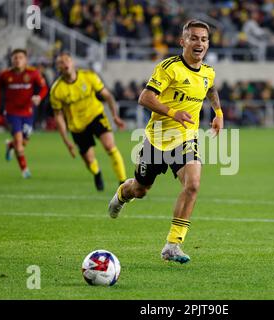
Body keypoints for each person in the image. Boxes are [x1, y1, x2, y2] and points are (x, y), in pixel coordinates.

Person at [107, 20, 224, 264]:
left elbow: (210, 88)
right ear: (183, 42)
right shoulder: (168, 68)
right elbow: (145, 97)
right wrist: (173, 113)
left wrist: (218, 113)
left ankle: (173, 244)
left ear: (208, 44)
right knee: (140, 190)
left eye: (203, 39)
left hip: (185, 138)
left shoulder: (208, 71)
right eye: (193, 38)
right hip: (157, 141)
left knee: (192, 185)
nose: (199, 43)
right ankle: (122, 194)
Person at [50, 52, 127, 191]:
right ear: (58, 68)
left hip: (95, 115)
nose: (65, 63)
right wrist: (66, 140)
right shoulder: (56, 90)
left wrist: (115, 116)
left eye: (67, 60)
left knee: (110, 146)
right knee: (89, 159)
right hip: (77, 126)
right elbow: (58, 116)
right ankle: (97, 173)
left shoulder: (88, 76)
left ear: (72, 62)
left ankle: (122, 183)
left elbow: (108, 96)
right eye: (61, 62)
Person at [0, 49, 48, 178]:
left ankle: (9, 145)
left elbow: (44, 88)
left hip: (28, 113)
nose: (18, 60)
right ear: (11, 60)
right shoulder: (5, 75)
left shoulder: (33, 73)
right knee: (19, 142)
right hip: (12, 113)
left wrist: (39, 97)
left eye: (20, 57)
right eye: (15, 57)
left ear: (26, 60)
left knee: (23, 143)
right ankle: (25, 170)